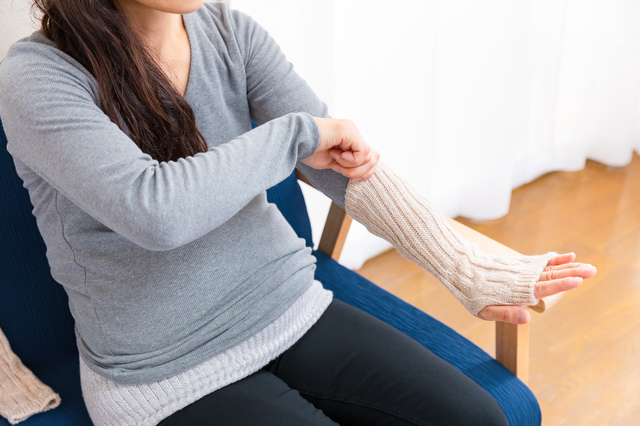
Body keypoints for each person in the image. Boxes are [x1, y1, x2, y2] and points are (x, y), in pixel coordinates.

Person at [0, 1, 596, 425]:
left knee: (479, 419)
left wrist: (463, 267)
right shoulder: (37, 77)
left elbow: (337, 162)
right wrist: (293, 136)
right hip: (164, 371)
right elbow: (156, 211)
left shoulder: (229, 31)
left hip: (286, 307)